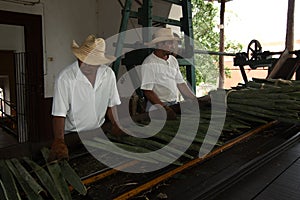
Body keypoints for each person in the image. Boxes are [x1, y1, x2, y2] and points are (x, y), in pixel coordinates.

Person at [49, 34, 123, 162]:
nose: (86, 65)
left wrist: (116, 124)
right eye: (84, 60)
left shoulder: (108, 74)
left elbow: (112, 104)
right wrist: (59, 141)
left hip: (98, 133)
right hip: (73, 136)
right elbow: (59, 113)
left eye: (92, 62)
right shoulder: (66, 78)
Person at [141, 28, 197, 119]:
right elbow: (147, 91)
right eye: (170, 43)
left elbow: (181, 84)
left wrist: (194, 99)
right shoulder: (149, 63)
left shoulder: (173, 60)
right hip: (156, 107)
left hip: (173, 104)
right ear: (159, 44)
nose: (172, 46)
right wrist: (163, 108)